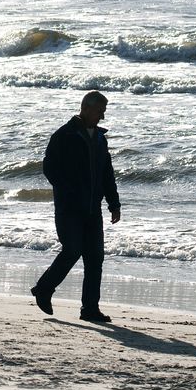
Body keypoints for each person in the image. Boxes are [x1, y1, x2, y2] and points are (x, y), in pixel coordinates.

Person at [31, 90, 122, 323]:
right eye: (100, 111)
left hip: (93, 208)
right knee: (72, 250)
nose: (102, 117)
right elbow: (50, 168)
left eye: (103, 112)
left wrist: (114, 203)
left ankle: (90, 309)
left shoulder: (101, 138)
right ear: (87, 108)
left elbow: (106, 173)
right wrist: (68, 192)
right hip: (69, 208)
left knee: (95, 258)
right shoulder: (64, 135)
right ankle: (44, 289)